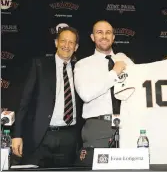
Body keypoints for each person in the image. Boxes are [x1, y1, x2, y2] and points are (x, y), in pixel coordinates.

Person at [12, 26, 84, 167]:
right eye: (63, 41)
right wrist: (17, 135)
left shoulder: (80, 69)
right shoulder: (40, 65)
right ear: (56, 42)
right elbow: (24, 102)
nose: (66, 45)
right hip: (40, 136)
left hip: (69, 137)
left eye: (71, 43)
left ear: (76, 47)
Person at [74, 20, 133, 164]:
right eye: (99, 32)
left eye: (108, 33)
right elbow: (86, 94)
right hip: (98, 126)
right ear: (92, 37)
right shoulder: (83, 64)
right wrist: (114, 73)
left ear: (113, 37)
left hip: (128, 125)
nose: (104, 36)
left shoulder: (126, 61)